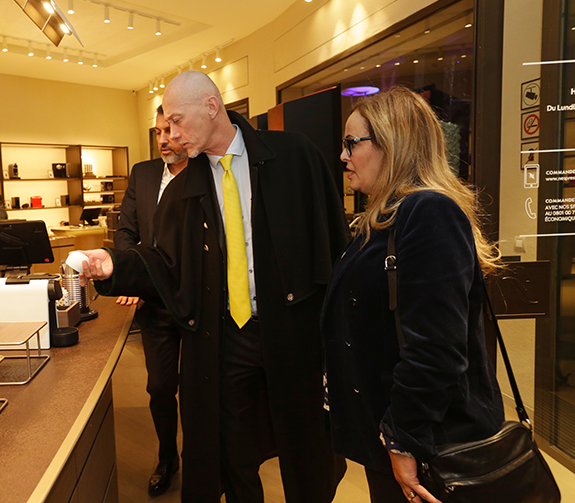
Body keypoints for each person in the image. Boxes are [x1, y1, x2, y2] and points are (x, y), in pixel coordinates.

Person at [79, 71, 349, 503]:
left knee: (305, 447)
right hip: (226, 338)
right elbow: (165, 263)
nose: (171, 135)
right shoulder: (184, 188)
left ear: (211, 106)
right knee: (232, 451)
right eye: (166, 125)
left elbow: (332, 241)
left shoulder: (294, 155)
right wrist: (117, 265)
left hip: (291, 333)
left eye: (177, 121)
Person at [320, 86, 504, 503]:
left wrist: (403, 439)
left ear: (392, 144)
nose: (344, 156)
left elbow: (436, 348)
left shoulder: (428, 212)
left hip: (428, 440)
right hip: (393, 431)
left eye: (352, 143)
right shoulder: (383, 218)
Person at [114, 105, 188, 496]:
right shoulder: (142, 173)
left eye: (169, 131)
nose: (162, 140)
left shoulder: (205, 171)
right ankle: (167, 457)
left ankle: (202, 458)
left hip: (196, 302)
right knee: (159, 388)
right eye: (158, 132)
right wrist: (133, 274)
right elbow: (126, 232)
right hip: (154, 304)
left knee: (198, 390)